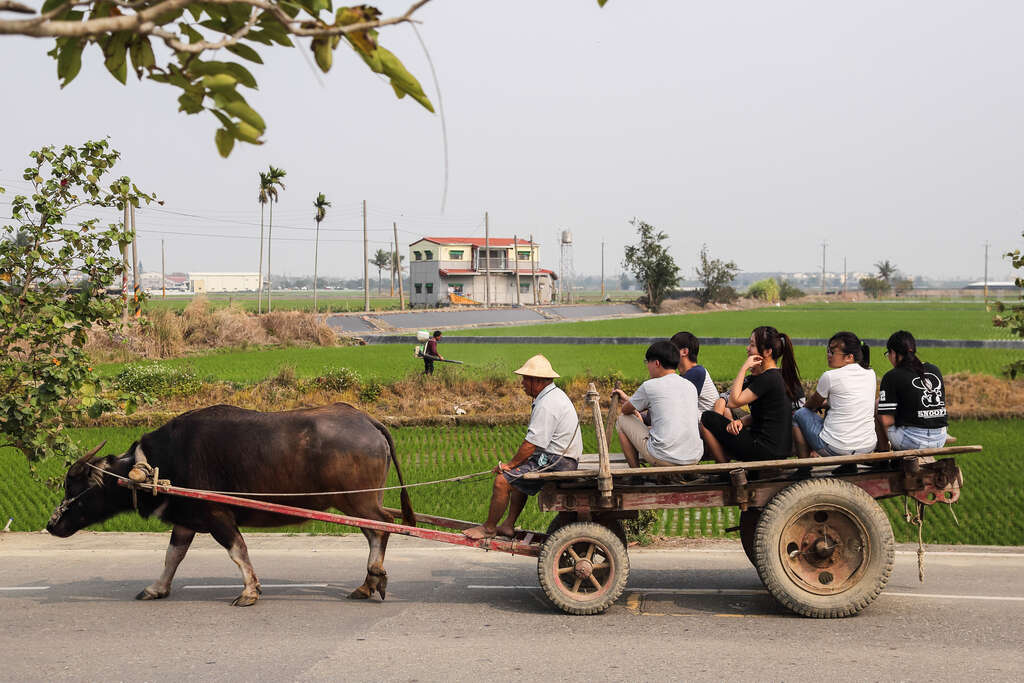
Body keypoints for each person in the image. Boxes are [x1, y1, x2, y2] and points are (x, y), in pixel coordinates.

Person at [463, 355, 581, 540]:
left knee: (502, 481)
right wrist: (515, 465)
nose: (522, 383)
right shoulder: (551, 396)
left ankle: (489, 528)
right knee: (517, 478)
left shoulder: (547, 404)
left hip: (556, 460)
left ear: (538, 381)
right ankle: (508, 525)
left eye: (526, 379)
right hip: (559, 457)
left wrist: (509, 465)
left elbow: (531, 444)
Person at [700, 326, 802, 463]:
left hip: (763, 450)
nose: (748, 348)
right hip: (777, 449)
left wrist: (744, 367)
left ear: (767, 352)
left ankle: (725, 470)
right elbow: (766, 414)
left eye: (752, 345)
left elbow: (733, 401)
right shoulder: (778, 375)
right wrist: (740, 421)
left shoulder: (768, 378)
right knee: (726, 426)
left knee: (707, 419)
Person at [611, 341, 703, 469]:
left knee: (622, 420)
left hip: (664, 458)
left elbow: (626, 410)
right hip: (694, 457)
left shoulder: (650, 386)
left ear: (656, 363)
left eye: (647, 362)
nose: (647, 366)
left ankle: (636, 474)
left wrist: (631, 406)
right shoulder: (690, 386)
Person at [792, 332, 877, 458]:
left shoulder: (830, 376)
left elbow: (811, 405)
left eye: (832, 352)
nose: (828, 355)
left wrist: (820, 405)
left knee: (799, 414)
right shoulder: (870, 373)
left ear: (849, 357)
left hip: (836, 448)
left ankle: (804, 467)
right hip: (868, 446)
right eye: (828, 351)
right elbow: (847, 401)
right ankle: (848, 466)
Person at [876, 330, 949, 450]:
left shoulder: (892, 376)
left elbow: (886, 421)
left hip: (911, 443)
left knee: (878, 404)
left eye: (888, 353)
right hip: (940, 440)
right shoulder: (934, 369)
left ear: (894, 353)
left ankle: (884, 455)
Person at [670, 331, 719, 413]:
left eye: (672, 349)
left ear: (684, 352)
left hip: (703, 424)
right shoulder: (688, 374)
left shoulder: (696, 372)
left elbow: (672, 402)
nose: (668, 353)